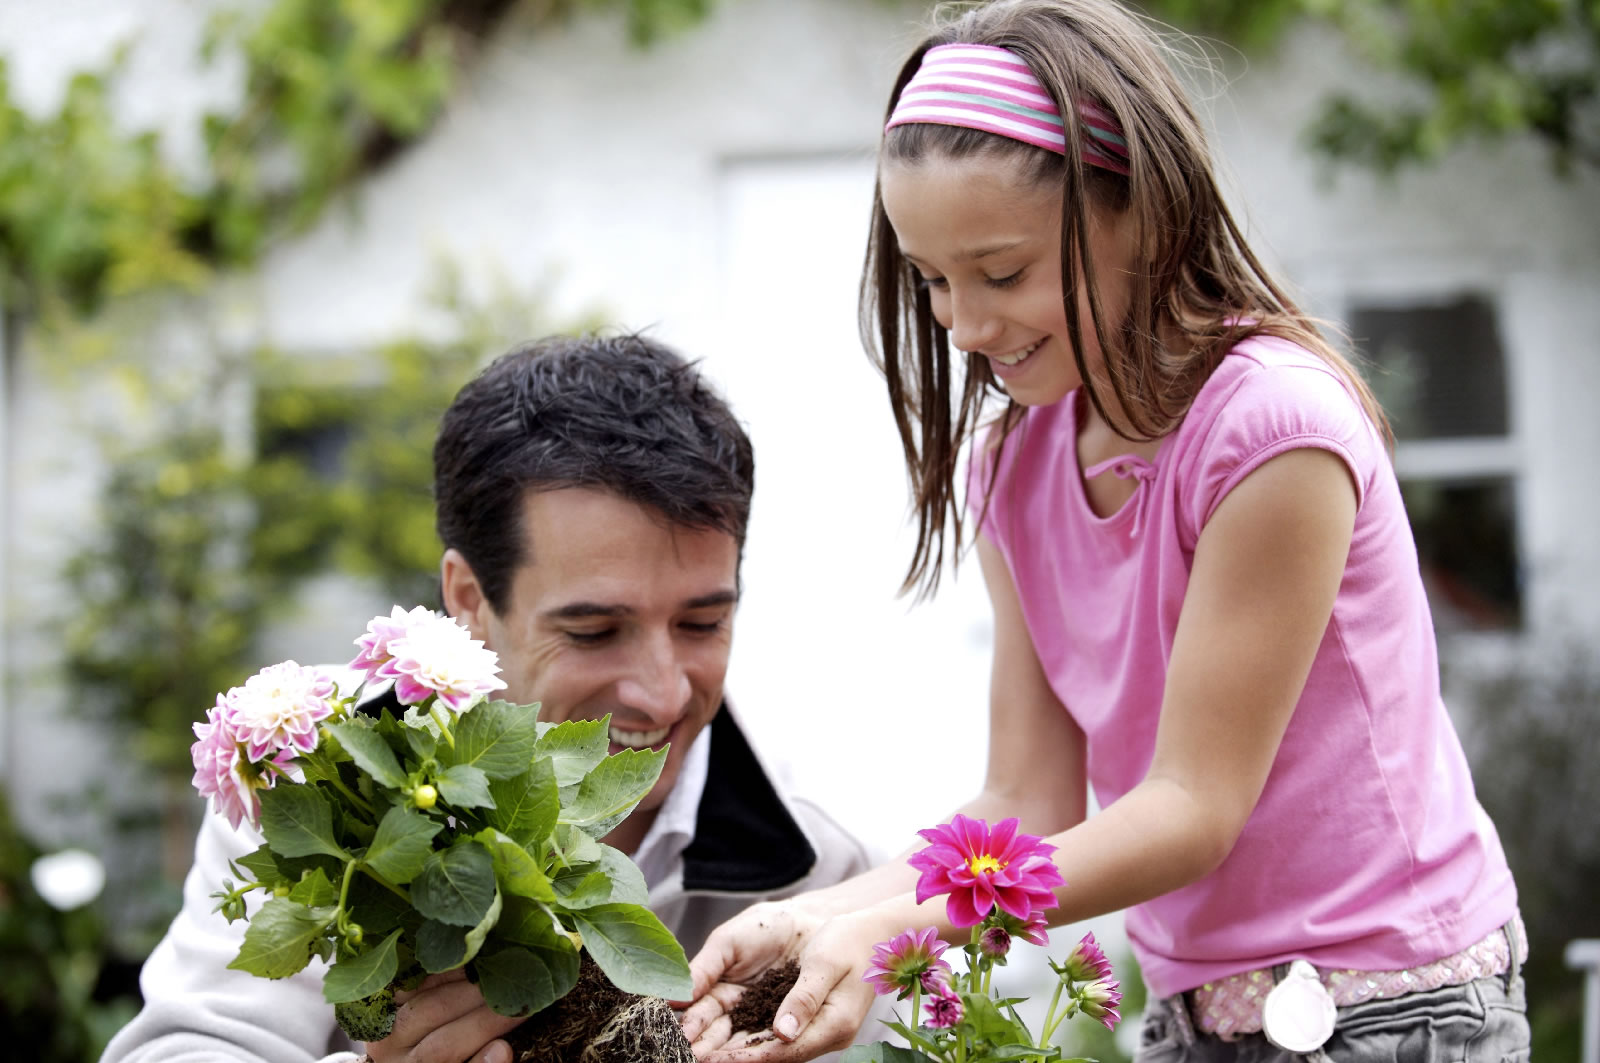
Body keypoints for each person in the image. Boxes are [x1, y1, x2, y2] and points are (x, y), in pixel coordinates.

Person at [679, 2, 1527, 1061]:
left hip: (1389, 1004)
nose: (965, 325)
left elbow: (1191, 806)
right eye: (933, 281)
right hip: (1195, 1014)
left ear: (1143, 216)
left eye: (1001, 272)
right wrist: (828, 914)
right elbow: (1024, 800)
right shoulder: (1012, 465)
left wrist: (890, 927)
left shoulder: (1272, 431)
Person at [101, 334, 875, 1063]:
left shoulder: (814, 858)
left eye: (702, 621)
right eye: (595, 630)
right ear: (468, 598)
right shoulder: (320, 772)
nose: (663, 690)